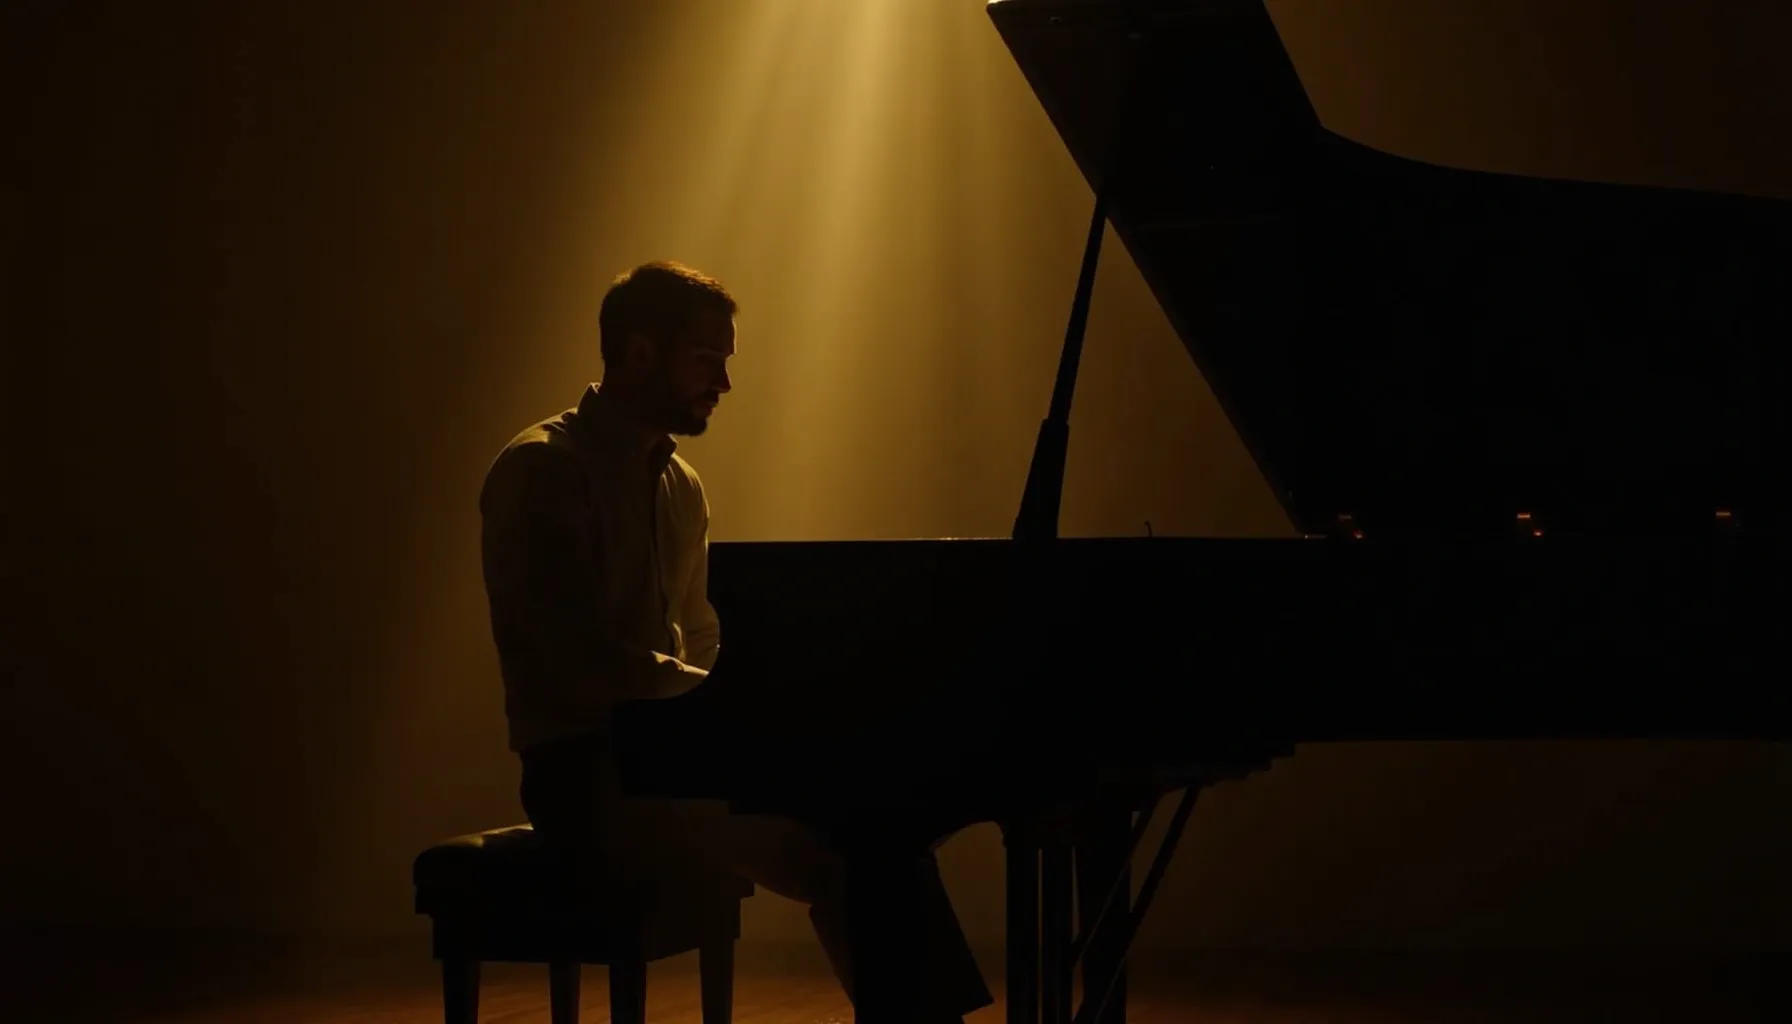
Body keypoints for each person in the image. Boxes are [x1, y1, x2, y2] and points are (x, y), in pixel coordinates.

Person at [478, 261, 992, 1019]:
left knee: (876, 813)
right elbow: (577, 662)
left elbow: (703, 631)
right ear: (640, 352)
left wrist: (748, 715)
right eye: (707, 360)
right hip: (583, 771)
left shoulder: (681, 483)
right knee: (846, 843)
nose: (723, 382)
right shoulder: (545, 468)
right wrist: (736, 706)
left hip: (672, 758)